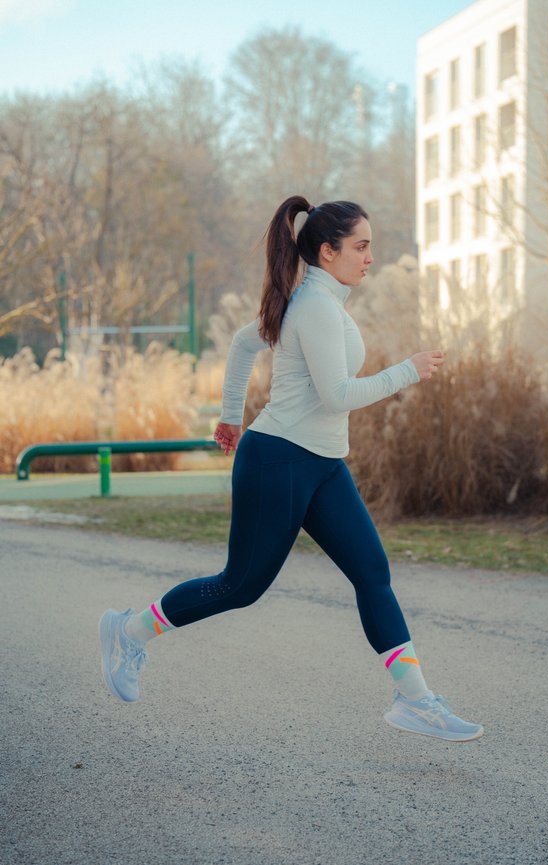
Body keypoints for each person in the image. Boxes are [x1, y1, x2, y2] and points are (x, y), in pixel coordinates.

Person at [99, 196, 483, 743]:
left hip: (321, 464)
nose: (370, 257)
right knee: (239, 586)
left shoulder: (311, 299)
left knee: (372, 571)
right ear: (328, 252)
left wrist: (231, 417)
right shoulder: (316, 307)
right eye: (361, 246)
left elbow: (241, 343)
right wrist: (408, 370)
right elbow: (337, 394)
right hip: (278, 460)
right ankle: (129, 632)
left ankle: (415, 700)